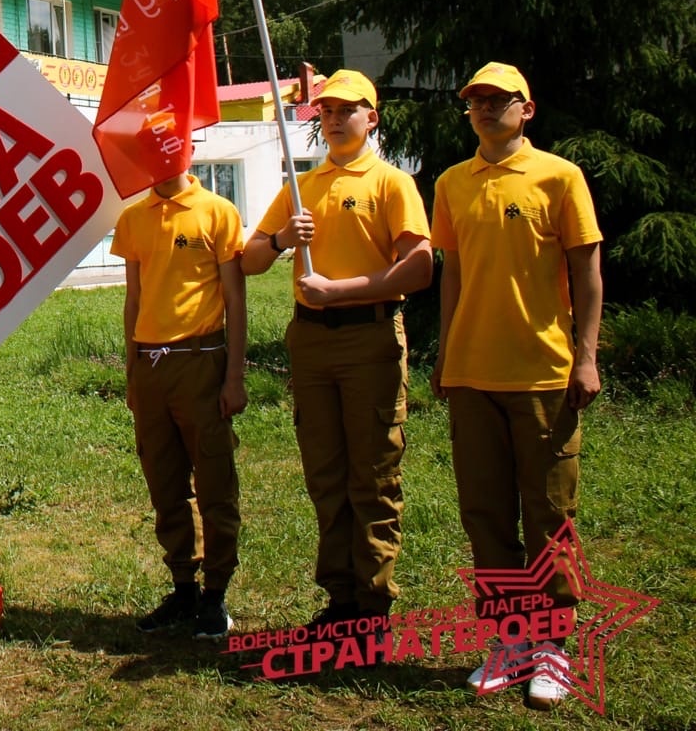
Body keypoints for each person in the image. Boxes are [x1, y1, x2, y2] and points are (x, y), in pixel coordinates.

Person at [431, 63, 602, 711]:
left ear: (527, 109)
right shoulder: (452, 182)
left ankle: (555, 647)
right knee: (487, 518)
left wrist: (585, 357)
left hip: (543, 375)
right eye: (474, 100)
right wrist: (446, 354)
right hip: (473, 377)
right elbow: (452, 276)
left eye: (498, 100)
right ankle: (508, 640)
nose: (484, 109)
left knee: (551, 518)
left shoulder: (560, 177)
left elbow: (587, 274)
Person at [240, 69, 432, 629]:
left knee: (371, 474)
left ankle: (372, 607)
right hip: (312, 344)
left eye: (348, 109)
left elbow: (418, 268)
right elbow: (249, 260)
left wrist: (339, 290)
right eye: (326, 111)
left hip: (369, 337)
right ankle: (340, 600)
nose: (335, 118)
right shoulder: (304, 186)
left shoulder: (392, 183)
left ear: (371, 118)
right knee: (325, 473)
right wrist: (280, 240)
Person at [111, 162, 248, 640]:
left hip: (201, 359)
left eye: (171, 146)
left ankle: (215, 595)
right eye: (152, 149)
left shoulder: (217, 211)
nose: (161, 157)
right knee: (164, 481)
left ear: (187, 149)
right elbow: (134, 297)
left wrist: (234, 375)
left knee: (213, 479)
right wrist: (131, 371)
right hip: (150, 366)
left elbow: (235, 297)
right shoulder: (133, 217)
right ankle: (183, 587)